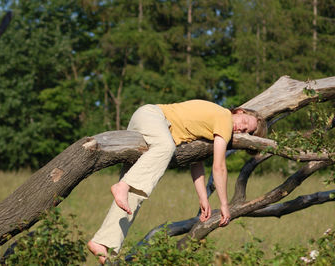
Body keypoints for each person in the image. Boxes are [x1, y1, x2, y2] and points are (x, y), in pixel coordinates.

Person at [88, 100, 267, 264]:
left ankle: (103, 244)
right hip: (152, 116)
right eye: (244, 123)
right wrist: (224, 204)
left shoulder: (211, 123)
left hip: (149, 121)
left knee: (134, 195)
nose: (241, 129)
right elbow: (219, 166)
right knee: (166, 146)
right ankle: (122, 185)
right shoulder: (224, 118)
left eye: (246, 132)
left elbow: (196, 161)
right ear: (239, 111)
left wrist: (203, 198)